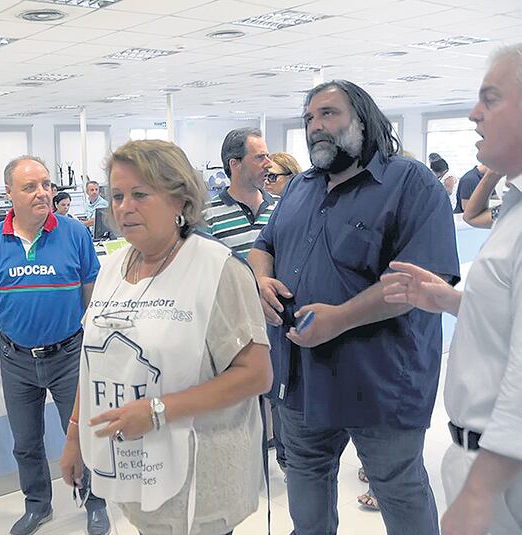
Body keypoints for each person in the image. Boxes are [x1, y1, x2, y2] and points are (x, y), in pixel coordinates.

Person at [249, 79, 460, 535]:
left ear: (363, 120)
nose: (315, 126)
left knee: (398, 489)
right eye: (309, 118)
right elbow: (263, 246)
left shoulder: (411, 184)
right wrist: (260, 278)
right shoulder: (299, 188)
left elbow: (423, 281)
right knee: (306, 486)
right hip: (302, 378)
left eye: (328, 114)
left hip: (380, 380)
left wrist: (340, 319)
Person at [59, 139, 272, 535]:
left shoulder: (217, 270)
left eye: (140, 194)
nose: (124, 207)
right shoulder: (112, 269)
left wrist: (158, 411)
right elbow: (95, 362)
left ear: (180, 199)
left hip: (202, 482)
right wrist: (75, 436)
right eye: (117, 196)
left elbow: (257, 374)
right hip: (135, 470)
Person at [382, 43, 522, 535]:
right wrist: (450, 301)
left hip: (502, 474)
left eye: (491, 99)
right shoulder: (514, 208)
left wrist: (480, 492)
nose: (473, 113)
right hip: (485, 462)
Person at [0, 156, 109, 535]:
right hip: (16, 359)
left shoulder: (74, 233)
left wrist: (97, 343)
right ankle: (37, 505)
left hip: (69, 355)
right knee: (26, 441)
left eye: (46, 184)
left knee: (83, 434)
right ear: (9, 194)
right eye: (30, 187)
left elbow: (91, 291)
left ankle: (95, 502)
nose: (42, 193)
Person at [204, 127, 276, 259]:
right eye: (260, 157)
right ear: (235, 164)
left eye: (268, 156)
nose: (269, 164)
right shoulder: (208, 216)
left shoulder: (280, 208)